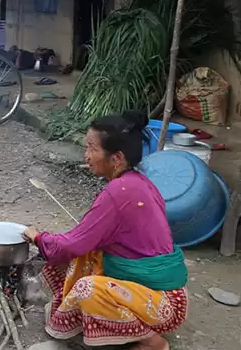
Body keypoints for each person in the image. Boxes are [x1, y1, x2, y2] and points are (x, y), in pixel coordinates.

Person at [22, 111, 188, 350]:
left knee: (86, 286)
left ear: (117, 158)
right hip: (168, 294)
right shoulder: (140, 183)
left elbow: (71, 245)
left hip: (163, 304)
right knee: (88, 254)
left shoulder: (118, 193)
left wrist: (38, 237)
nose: (86, 155)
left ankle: (150, 341)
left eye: (92, 148)